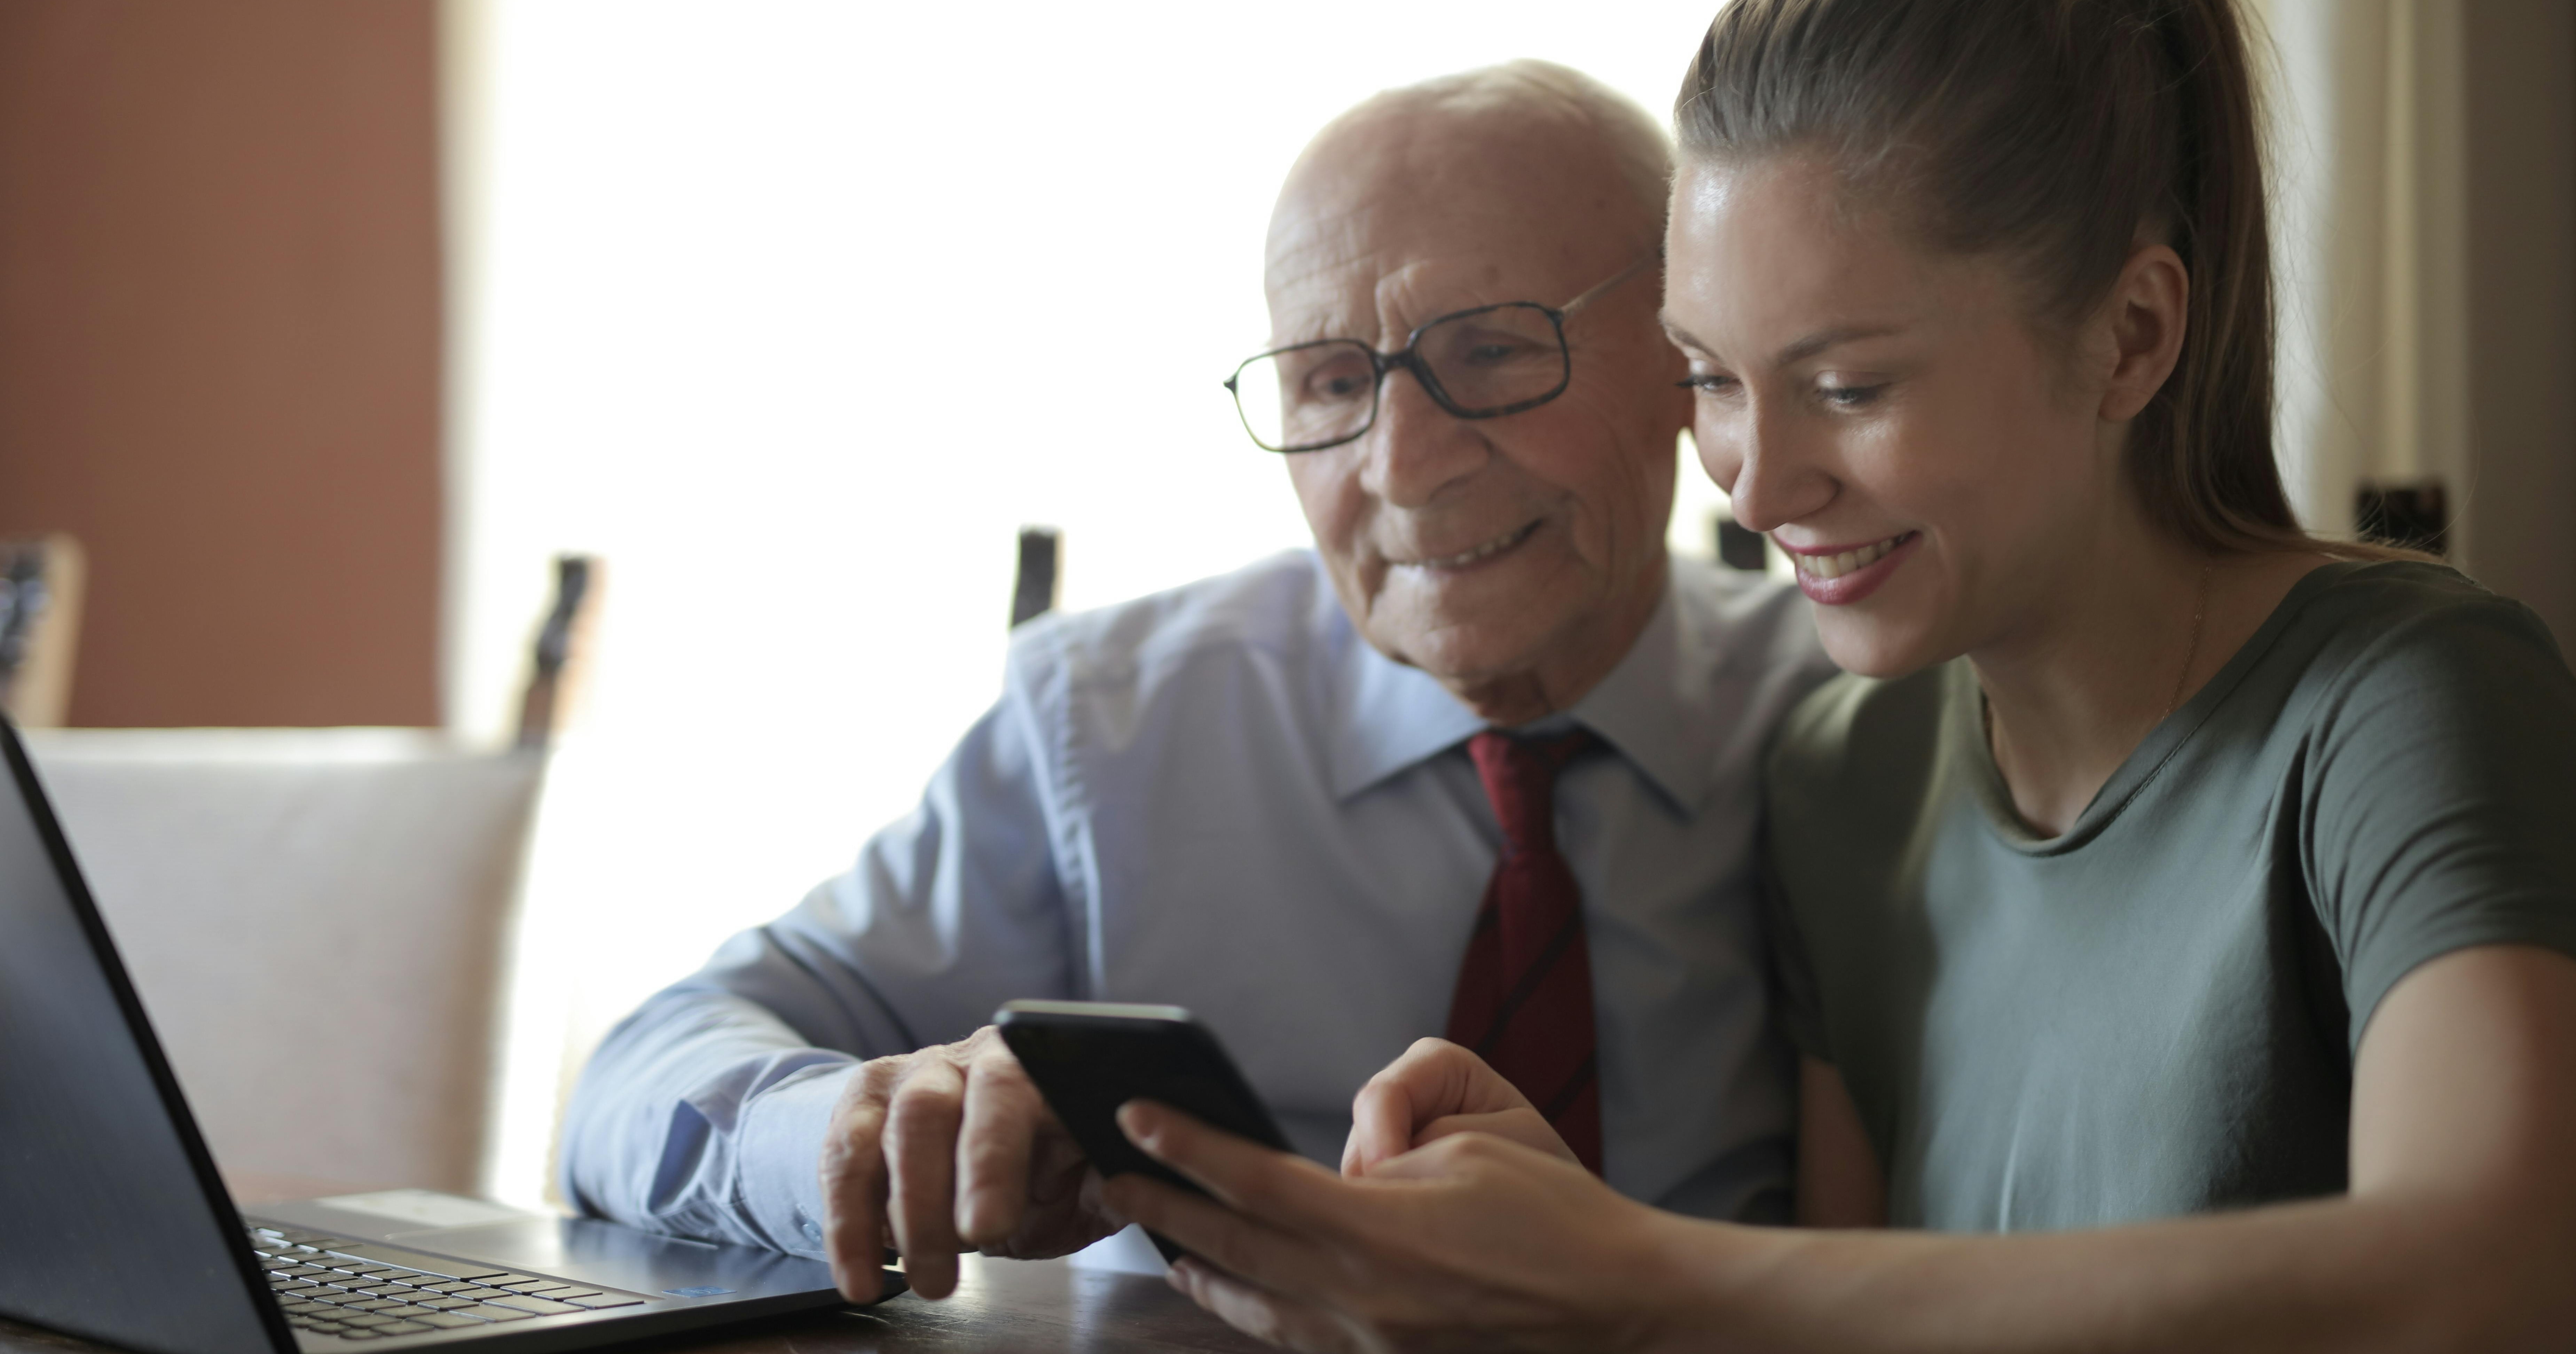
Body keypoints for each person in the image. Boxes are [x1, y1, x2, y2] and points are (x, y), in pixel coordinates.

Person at [1099, 1, 2576, 1349]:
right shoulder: (1842, 774)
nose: (1750, 488)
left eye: (1845, 387)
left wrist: (1630, 1267)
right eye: (1712, 379)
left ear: (2129, 336)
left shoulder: (2402, 696)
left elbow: (2488, 1276)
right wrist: (1546, 1252)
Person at [559, 60, 1837, 1306]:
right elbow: (637, 1082)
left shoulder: (1851, 729)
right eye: (1333, 382)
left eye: (1494, 353)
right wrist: (858, 1126)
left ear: (1689, 355)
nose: (1401, 466)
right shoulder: (1113, 726)